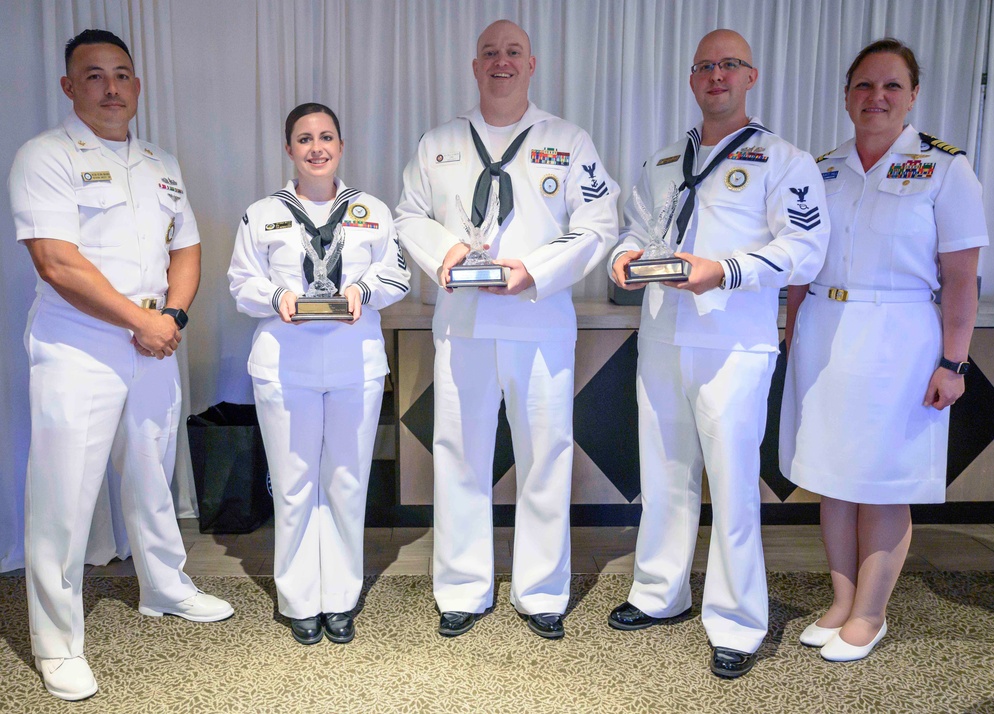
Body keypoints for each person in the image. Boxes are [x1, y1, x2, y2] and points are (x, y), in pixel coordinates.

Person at [7, 29, 233, 701]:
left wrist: (174, 319)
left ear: (137, 85)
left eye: (123, 74)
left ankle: (164, 587)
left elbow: (186, 249)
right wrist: (144, 322)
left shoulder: (160, 162)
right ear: (69, 86)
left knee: (151, 472)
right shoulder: (44, 156)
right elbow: (56, 261)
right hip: (80, 346)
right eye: (95, 75)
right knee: (64, 496)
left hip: (154, 340)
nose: (112, 87)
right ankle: (58, 643)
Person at [607, 29, 830, 678]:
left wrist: (725, 270)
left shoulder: (783, 161)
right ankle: (659, 594)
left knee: (732, 487)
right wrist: (623, 255)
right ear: (692, 78)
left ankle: (736, 623)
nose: (716, 76)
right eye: (705, 66)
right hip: (660, 336)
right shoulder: (661, 162)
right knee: (664, 474)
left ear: (751, 76)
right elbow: (636, 229)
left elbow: (805, 251)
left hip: (733, 344)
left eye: (729, 65)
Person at [395, 19, 619, 639]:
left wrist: (536, 269)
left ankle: (542, 592)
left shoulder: (568, 140)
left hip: (539, 320)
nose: (501, 62)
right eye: (490, 53)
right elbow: (407, 214)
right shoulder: (439, 141)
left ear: (532, 63)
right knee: (460, 454)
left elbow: (600, 222)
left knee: (544, 457)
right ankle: (463, 588)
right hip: (463, 322)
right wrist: (445, 255)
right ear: (474, 65)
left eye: (512, 52)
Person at [779, 38, 988, 662]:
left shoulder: (946, 168)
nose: (877, 97)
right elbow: (799, 263)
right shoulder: (820, 169)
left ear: (914, 94)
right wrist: (793, 333)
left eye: (891, 86)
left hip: (900, 337)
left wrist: (953, 362)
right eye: (864, 86)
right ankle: (841, 603)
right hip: (824, 328)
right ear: (846, 96)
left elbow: (960, 278)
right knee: (832, 478)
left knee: (883, 481)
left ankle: (871, 612)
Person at [229, 103, 410, 646]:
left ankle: (340, 598)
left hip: (355, 363)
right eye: (304, 138)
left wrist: (364, 290)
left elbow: (396, 274)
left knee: (347, 481)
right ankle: (300, 599)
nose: (316, 147)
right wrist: (276, 295)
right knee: (293, 485)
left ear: (341, 145)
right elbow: (241, 283)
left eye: (326, 137)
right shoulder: (261, 213)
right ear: (289, 149)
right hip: (285, 366)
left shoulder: (373, 211)